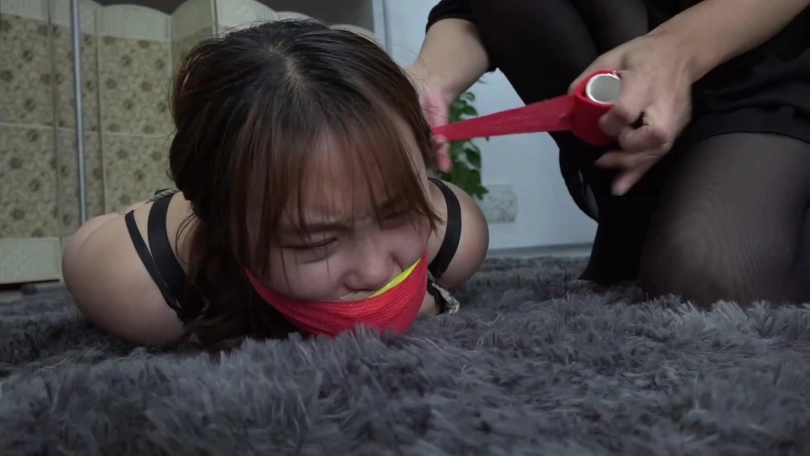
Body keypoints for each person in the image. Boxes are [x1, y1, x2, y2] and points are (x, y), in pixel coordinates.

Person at [61, 20, 489, 350]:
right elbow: (85, 246)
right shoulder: (138, 283)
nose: (376, 271)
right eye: (316, 242)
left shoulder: (454, 235)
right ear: (226, 225)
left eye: (398, 212)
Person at [406, 0, 810, 306]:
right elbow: (467, 8)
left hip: (760, 56)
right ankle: (642, 212)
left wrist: (675, 51)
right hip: (625, 63)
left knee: (707, 274)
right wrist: (422, 83)